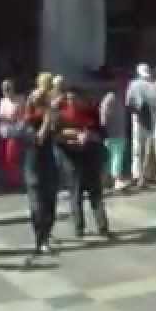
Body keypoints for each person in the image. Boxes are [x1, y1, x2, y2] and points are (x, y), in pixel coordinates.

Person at [57, 87, 110, 239]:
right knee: (76, 195)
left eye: (74, 98)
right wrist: (75, 135)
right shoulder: (62, 115)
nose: (72, 102)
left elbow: (102, 134)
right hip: (72, 159)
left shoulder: (91, 113)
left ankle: (103, 227)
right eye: (69, 99)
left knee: (96, 194)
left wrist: (89, 135)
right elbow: (57, 136)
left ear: (81, 99)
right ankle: (79, 228)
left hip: (91, 158)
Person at [23, 81, 59, 256]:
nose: (41, 104)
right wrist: (46, 118)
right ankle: (41, 240)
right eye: (38, 101)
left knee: (51, 205)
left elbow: (57, 131)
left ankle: (46, 233)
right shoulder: (27, 122)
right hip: (33, 169)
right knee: (38, 207)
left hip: (50, 165)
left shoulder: (49, 116)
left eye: (43, 100)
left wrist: (51, 113)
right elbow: (39, 139)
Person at [126, 64, 156, 189]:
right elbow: (130, 103)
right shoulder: (154, 85)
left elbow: (130, 103)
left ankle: (142, 176)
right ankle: (143, 175)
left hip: (147, 120)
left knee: (143, 148)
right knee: (145, 149)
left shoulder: (141, 84)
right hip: (147, 120)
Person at [0, 79, 25, 189]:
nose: (6, 90)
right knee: (2, 158)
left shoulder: (20, 100)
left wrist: (7, 117)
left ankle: (15, 181)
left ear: (13, 88)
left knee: (11, 158)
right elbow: (0, 114)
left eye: (8, 88)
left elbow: (22, 116)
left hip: (14, 132)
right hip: (3, 132)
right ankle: (10, 179)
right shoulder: (2, 101)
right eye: (4, 89)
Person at [99, 80, 130, 193]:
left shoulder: (115, 98)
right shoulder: (111, 99)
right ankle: (117, 179)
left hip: (116, 132)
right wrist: (104, 129)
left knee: (110, 158)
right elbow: (104, 117)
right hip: (114, 133)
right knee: (116, 156)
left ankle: (105, 181)